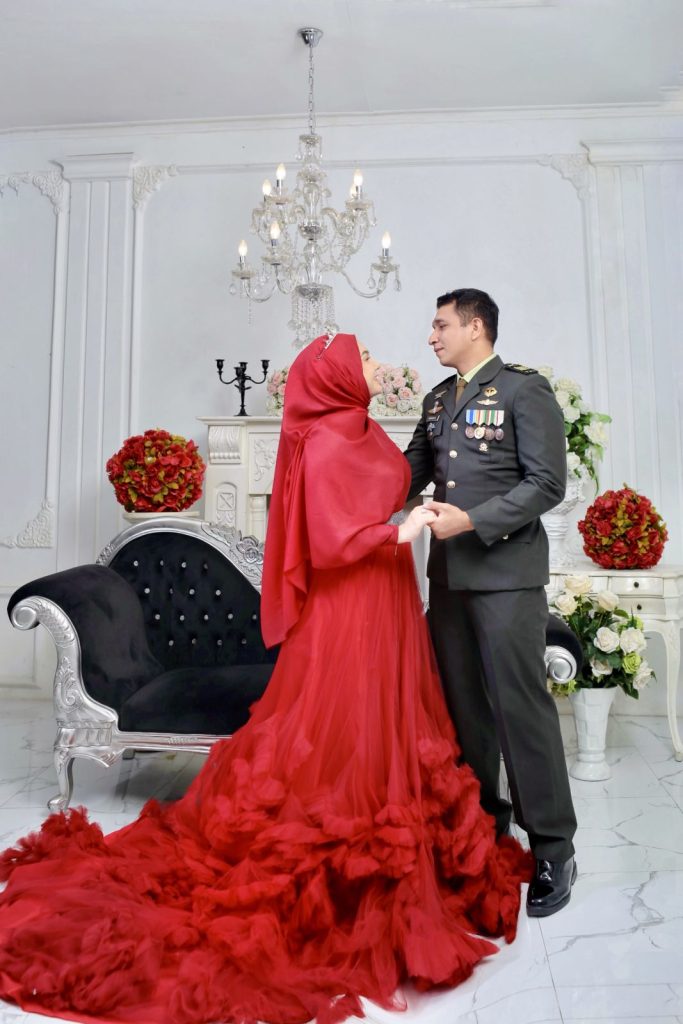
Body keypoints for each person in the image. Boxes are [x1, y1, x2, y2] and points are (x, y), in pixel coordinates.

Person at [0, 333, 532, 1024]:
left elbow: (389, 487)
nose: (377, 365)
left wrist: (426, 503)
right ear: (338, 376)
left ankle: (384, 809)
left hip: (387, 594)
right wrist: (401, 532)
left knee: (383, 719)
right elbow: (330, 542)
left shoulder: (364, 428)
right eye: (364, 359)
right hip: (351, 603)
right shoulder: (325, 443)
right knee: (342, 718)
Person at [404, 288, 578, 918]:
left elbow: (547, 483)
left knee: (519, 711)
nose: (432, 336)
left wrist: (472, 520)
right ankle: (484, 829)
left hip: (506, 578)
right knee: (466, 715)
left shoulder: (523, 390)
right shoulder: (436, 399)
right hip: (449, 581)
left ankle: (554, 847)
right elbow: (406, 473)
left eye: (441, 325)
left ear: (475, 327)